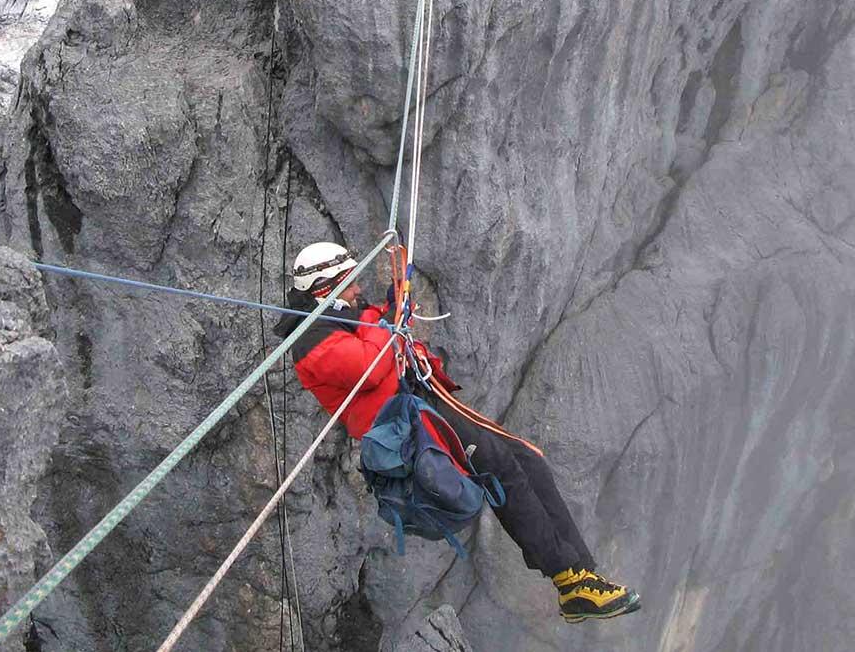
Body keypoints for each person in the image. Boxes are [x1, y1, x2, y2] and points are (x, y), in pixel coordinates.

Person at [273, 241, 641, 623]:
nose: (355, 289)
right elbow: (371, 363)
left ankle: (582, 575)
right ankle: (569, 579)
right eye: (347, 283)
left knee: (527, 460)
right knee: (500, 465)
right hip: (406, 426)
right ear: (323, 289)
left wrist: (391, 308)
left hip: (420, 405)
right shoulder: (311, 341)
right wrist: (390, 318)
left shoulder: (342, 317)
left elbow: (376, 329)